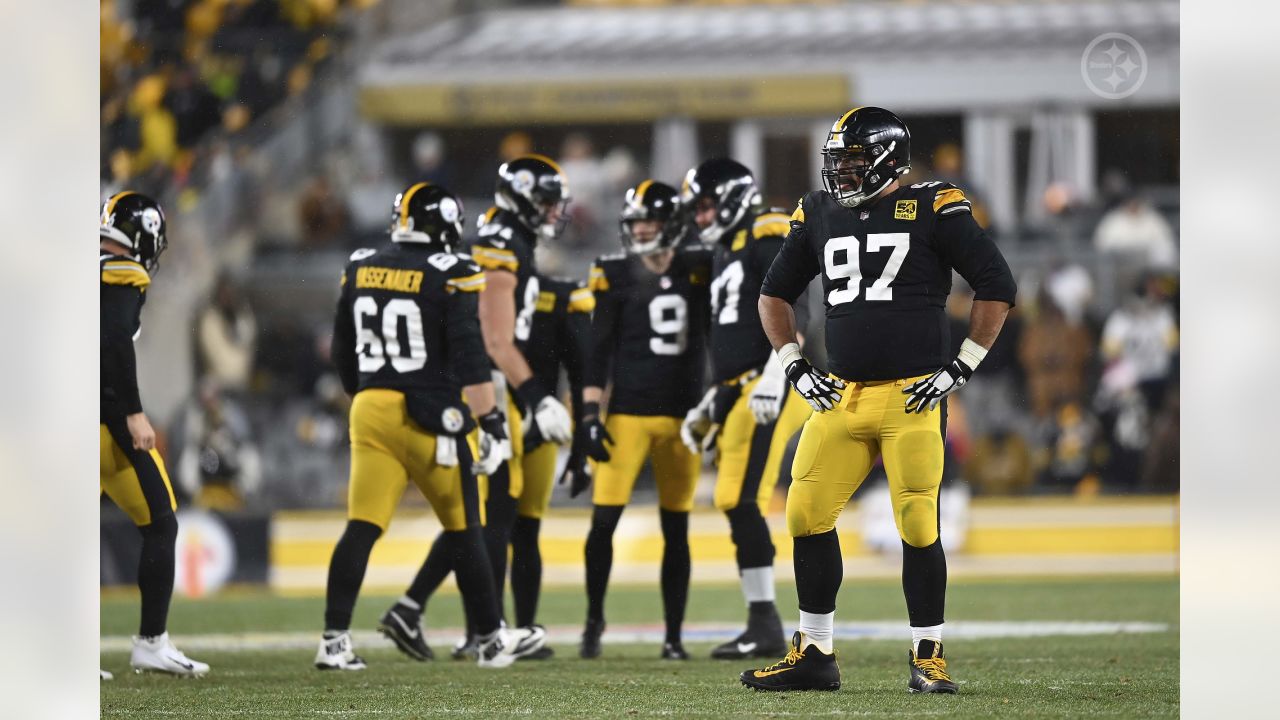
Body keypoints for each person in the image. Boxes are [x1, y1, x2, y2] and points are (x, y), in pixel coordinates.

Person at [744, 107, 1017, 694]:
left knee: (918, 523)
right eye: (836, 162)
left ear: (889, 159)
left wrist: (961, 367)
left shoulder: (932, 206)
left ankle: (928, 654)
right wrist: (792, 363)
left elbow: (997, 284)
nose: (840, 173)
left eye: (853, 161)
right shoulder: (818, 212)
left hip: (912, 397)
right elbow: (773, 294)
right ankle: (815, 651)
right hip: (839, 395)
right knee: (803, 513)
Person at [315, 181, 545, 671]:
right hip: (430, 415)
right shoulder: (453, 271)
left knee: (361, 527)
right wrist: (492, 422)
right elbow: (469, 358)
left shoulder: (360, 264)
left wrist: (367, 391)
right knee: (466, 528)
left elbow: (340, 349)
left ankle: (334, 642)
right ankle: (489, 639)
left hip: (371, 407)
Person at [379, 156, 575, 660]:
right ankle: (479, 630)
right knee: (488, 512)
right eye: (547, 201)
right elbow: (493, 339)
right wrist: (535, 396)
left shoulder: (511, 239)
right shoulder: (499, 245)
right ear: (523, 199)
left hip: (493, 384)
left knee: (489, 513)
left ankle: (421, 611)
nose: (554, 212)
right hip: (486, 387)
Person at [678, 159, 810, 660]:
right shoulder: (722, 250)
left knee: (746, 497)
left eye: (708, 204)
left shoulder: (765, 231)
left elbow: (794, 304)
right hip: (742, 385)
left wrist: (780, 372)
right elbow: (731, 336)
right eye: (699, 207)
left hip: (776, 378)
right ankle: (763, 623)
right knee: (732, 498)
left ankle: (773, 625)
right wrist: (716, 396)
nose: (703, 215)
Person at [575, 180, 712, 660]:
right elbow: (598, 351)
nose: (640, 231)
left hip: (682, 416)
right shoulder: (613, 272)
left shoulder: (701, 266)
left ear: (671, 225)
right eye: (635, 223)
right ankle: (594, 618)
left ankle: (674, 635)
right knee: (602, 524)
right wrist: (590, 414)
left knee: (676, 529)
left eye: (649, 223)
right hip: (627, 414)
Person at [100, 191, 209, 677]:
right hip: (102, 416)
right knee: (161, 522)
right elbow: (112, 340)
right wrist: (134, 413)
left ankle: (151, 643)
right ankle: (150, 641)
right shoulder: (123, 271)